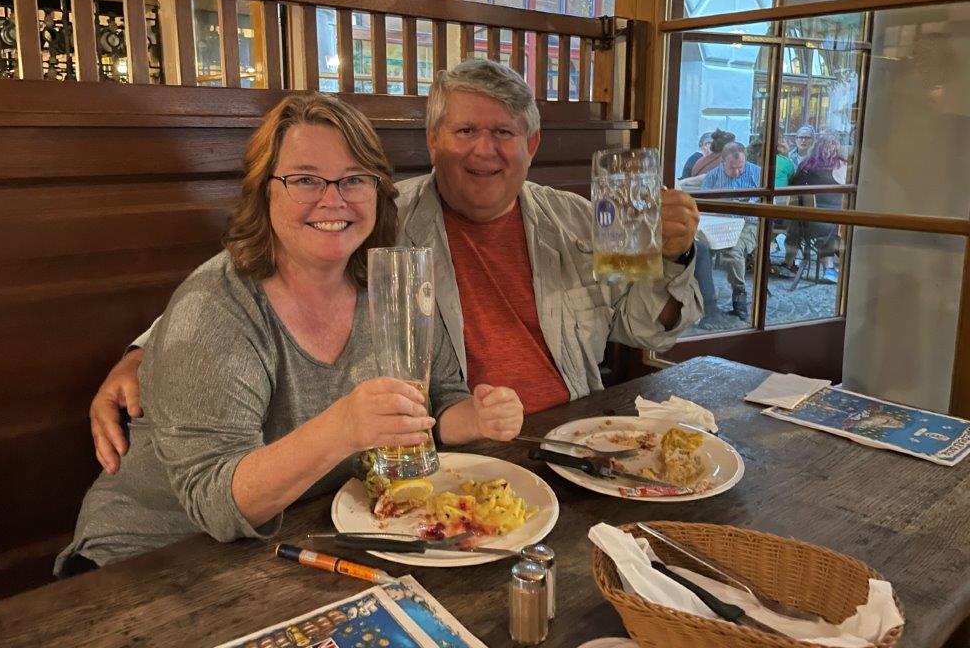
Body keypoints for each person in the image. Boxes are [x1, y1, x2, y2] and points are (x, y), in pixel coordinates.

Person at [90, 60, 703, 475]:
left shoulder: (583, 219)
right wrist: (144, 353)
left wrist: (670, 257)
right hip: (445, 456)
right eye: (465, 129)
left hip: (571, 445)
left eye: (504, 132)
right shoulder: (373, 213)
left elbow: (647, 329)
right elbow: (256, 268)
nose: (484, 151)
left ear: (531, 145)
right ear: (432, 138)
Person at [56, 93, 523, 574]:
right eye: (304, 179)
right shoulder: (215, 309)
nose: (333, 198)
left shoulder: (386, 281)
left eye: (355, 179)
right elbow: (217, 505)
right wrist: (342, 428)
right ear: (264, 190)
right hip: (151, 563)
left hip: (297, 544)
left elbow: (436, 403)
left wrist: (474, 417)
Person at [699, 143, 761, 319]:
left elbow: (766, 202)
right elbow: (703, 204)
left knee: (732, 254)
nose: (736, 172)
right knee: (701, 251)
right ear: (722, 161)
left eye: (740, 167)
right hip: (717, 224)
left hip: (747, 224)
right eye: (731, 168)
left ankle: (739, 297)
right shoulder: (713, 176)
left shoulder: (757, 173)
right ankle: (706, 300)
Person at [774, 137, 845, 284]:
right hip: (832, 224)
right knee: (834, 226)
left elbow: (792, 190)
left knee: (796, 221)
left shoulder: (805, 165)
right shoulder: (842, 167)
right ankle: (829, 268)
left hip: (804, 224)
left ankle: (788, 263)